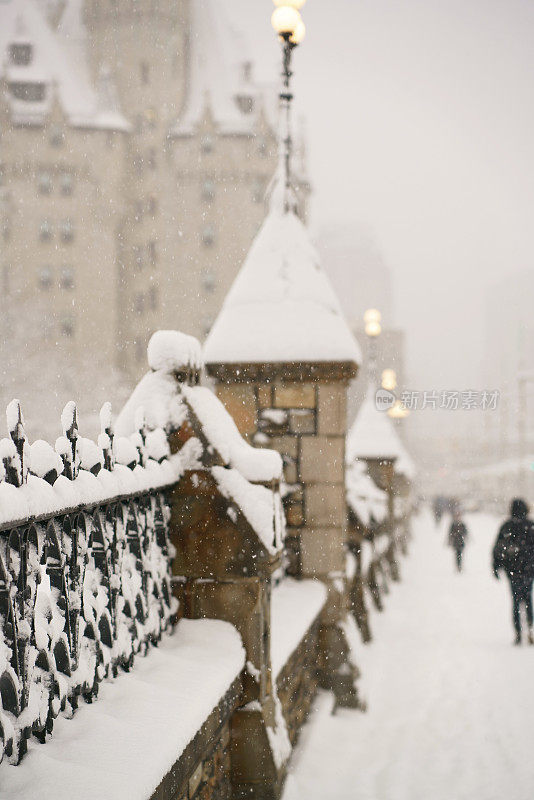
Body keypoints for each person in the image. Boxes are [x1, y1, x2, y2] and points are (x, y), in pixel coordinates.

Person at [493, 498, 534, 645]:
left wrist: (496, 567)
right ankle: (530, 628)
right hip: (529, 570)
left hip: (513, 571)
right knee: (528, 599)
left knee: (516, 602)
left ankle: (518, 633)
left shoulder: (506, 526)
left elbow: (497, 549)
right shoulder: (531, 526)